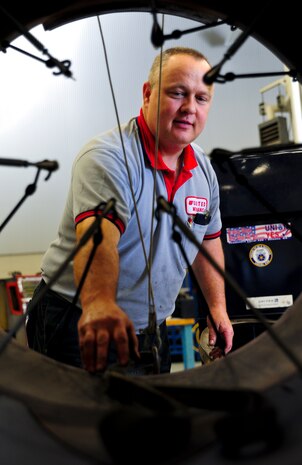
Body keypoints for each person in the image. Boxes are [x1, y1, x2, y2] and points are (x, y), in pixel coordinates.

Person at [26, 46, 234, 375]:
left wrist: (217, 307)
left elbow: (207, 242)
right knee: (76, 421)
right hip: (76, 316)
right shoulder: (108, 157)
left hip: (152, 325)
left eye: (201, 98)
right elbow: (98, 237)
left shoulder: (203, 169)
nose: (189, 109)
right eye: (178, 93)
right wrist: (98, 303)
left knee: (146, 421)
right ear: (148, 94)